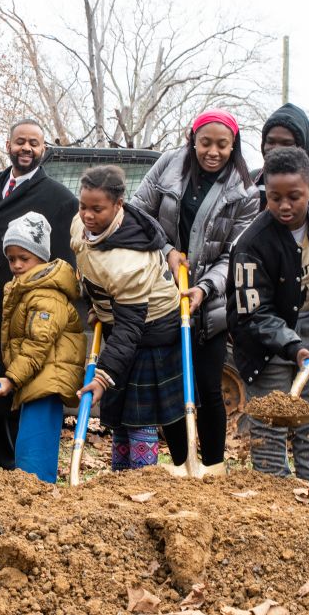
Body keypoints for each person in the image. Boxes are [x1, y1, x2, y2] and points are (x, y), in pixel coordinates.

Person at [131, 109, 259, 474]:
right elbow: (139, 212)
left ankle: (214, 466)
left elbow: (236, 251)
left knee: (207, 384)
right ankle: (181, 464)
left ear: (233, 146)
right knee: (172, 385)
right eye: (206, 143)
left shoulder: (244, 190)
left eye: (222, 145)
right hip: (162, 291)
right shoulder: (169, 165)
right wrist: (166, 251)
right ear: (193, 139)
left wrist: (204, 288)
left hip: (211, 300)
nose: (212, 152)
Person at [229, 146, 309, 486]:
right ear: (266, 195)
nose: (284, 206)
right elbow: (254, 314)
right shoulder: (250, 245)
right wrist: (293, 347)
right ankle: (273, 498)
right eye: (275, 198)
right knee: (269, 419)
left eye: (294, 196)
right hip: (264, 340)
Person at [0, 119, 77, 470]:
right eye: (20, 142)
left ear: (44, 150)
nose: (26, 148)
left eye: (34, 143)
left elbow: (64, 260)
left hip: (28, 310)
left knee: (15, 387)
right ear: (8, 144)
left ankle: (18, 476)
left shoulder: (60, 199)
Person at [72, 165, 186, 470]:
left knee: (139, 417)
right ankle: (119, 480)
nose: (88, 216)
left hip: (152, 332)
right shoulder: (79, 225)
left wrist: (101, 377)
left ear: (118, 205)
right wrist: (96, 304)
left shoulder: (129, 260)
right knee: (120, 417)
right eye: (83, 206)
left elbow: (130, 328)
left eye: (98, 209)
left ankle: (143, 478)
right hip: (120, 320)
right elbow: (88, 268)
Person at [0, 212, 85, 483]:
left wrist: (11, 378)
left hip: (47, 383)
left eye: (24, 258)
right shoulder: (27, 289)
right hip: (37, 381)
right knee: (28, 451)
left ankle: (40, 506)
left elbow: (37, 344)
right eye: (12, 259)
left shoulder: (46, 295)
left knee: (33, 460)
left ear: (41, 257)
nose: (17, 265)